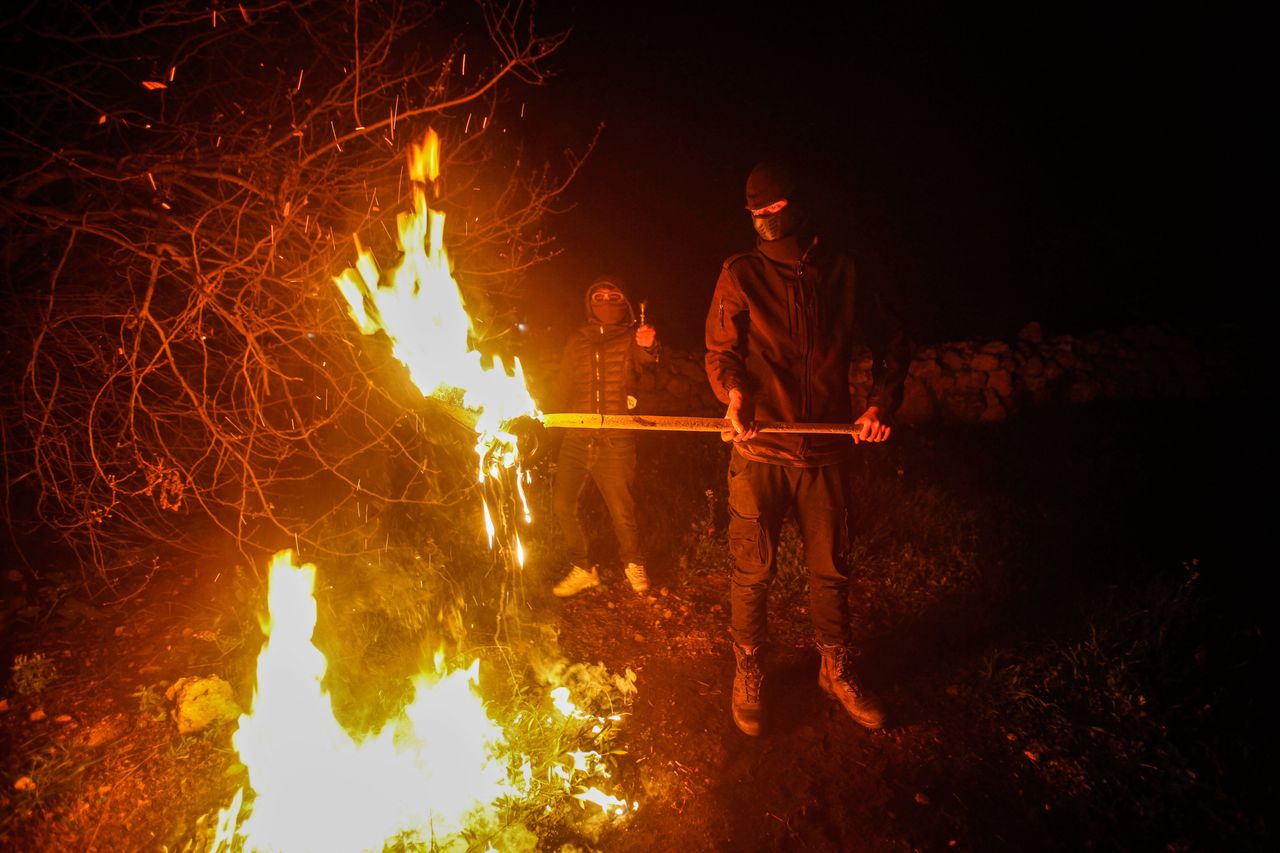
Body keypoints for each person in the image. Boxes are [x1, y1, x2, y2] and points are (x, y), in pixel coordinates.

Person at [704, 159, 909, 735]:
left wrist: (877, 406)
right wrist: (735, 395)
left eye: (774, 208)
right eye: (755, 211)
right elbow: (721, 352)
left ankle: (836, 668)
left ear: (798, 203)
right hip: (761, 449)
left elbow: (892, 341)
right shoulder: (740, 271)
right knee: (752, 571)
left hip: (825, 448)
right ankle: (748, 669)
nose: (765, 218)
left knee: (832, 569)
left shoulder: (844, 270)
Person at [549, 275, 660, 597]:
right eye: (599, 296)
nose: (606, 302)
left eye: (614, 297)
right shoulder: (578, 339)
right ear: (589, 303)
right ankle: (583, 568)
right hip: (577, 436)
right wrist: (551, 420)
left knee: (621, 509)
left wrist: (649, 346)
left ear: (624, 303)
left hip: (616, 438)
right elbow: (562, 383)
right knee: (562, 504)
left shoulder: (632, 338)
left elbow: (650, 366)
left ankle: (633, 562)